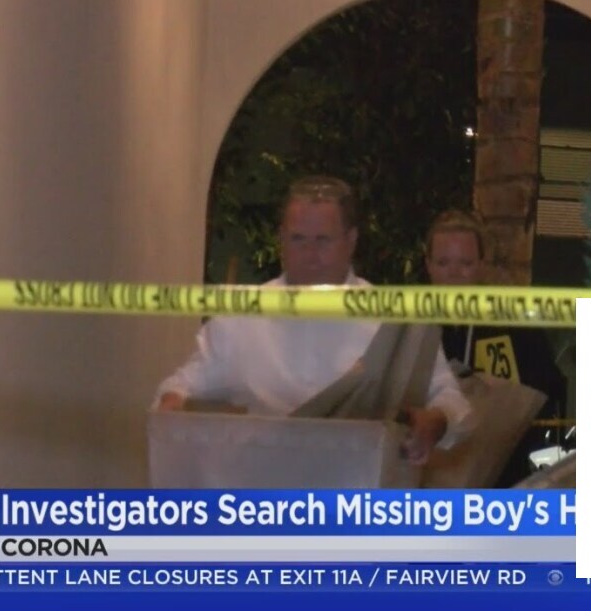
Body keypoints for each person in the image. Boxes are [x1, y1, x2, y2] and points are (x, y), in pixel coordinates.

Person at [155, 175, 474, 464]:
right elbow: (181, 387)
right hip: (265, 490)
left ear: (351, 241)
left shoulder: (392, 318)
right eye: (298, 239)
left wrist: (436, 422)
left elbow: (450, 398)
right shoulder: (240, 318)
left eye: (323, 240)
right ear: (281, 239)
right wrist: (172, 404)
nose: (310, 254)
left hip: (357, 494)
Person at [424, 209, 568, 486]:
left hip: (507, 481)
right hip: (427, 483)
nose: (454, 274)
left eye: (465, 263)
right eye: (443, 263)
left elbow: (548, 396)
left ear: (482, 265)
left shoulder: (513, 326)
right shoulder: (410, 329)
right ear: (428, 264)